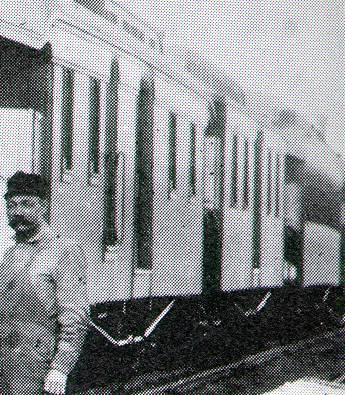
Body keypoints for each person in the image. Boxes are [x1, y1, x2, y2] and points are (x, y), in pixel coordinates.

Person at [0, 171, 89, 394]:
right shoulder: (10, 254)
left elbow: (75, 317)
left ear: (43, 207)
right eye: (11, 205)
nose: (17, 212)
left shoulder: (63, 251)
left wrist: (60, 368)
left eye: (26, 204)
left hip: (37, 368)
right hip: (6, 366)